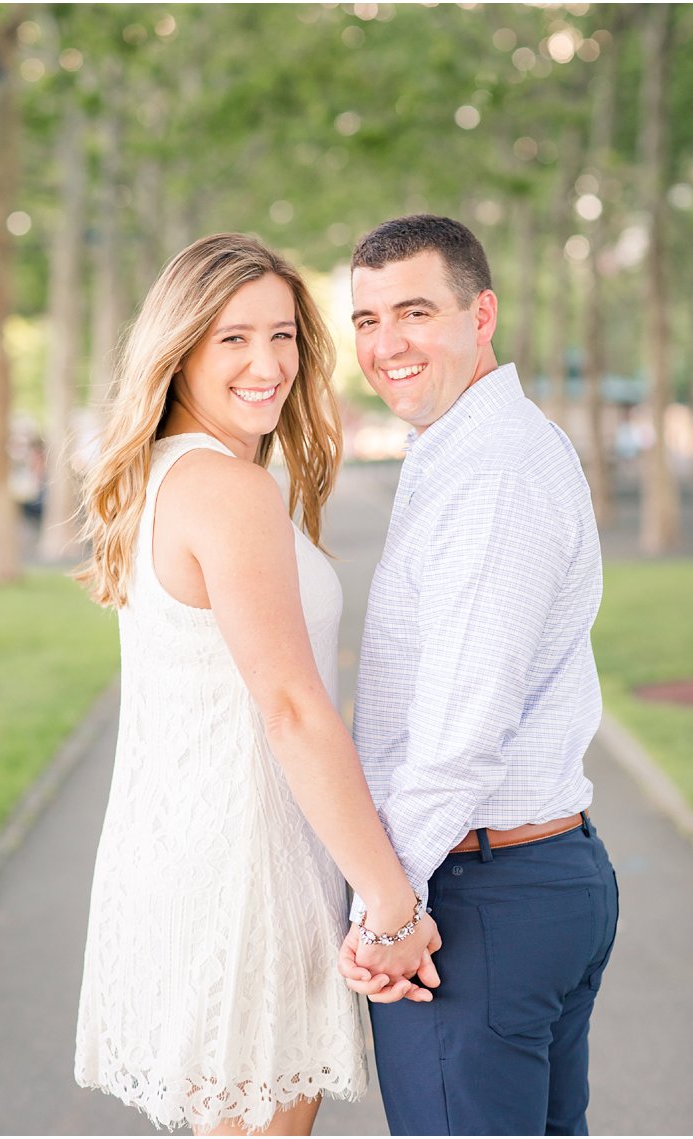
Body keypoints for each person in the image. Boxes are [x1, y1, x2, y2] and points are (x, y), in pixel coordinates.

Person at [72, 233, 440, 1137]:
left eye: (283, 336)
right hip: (244, 872)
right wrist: (393, 908)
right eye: (233, 338)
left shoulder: (166, 477)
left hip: (186, 854)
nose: (267, 363)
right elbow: (292, 708)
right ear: (181, 347)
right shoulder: (225, 490)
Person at [338, 214, 618, 1135]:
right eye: (368, 319)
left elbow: (459, 731)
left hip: (478, 900)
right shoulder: (462, 449)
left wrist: (388, 916)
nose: (387, 344)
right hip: (520, 880)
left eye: (414, 311)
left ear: (482, 311)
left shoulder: (493, 474)